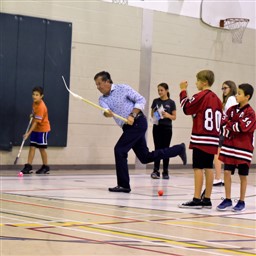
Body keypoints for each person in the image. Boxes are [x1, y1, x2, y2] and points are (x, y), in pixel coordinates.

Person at [94, 71, 187, 193]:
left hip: (138, 122)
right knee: (145, 157)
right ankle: (178, 149)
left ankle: (123, 185)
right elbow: (105, 111)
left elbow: (140, 100)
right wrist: (107, 113)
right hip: (127, 127)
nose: (98, 87)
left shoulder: (123, 88)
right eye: (96, 85)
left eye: (99, 84)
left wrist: (132, 114)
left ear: (107, 81)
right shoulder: (102, 99)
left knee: (119, 150)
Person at [178, 70, 222, 209]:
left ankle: (196, 199)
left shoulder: (201, 95)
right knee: (209, 168)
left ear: (204, 82)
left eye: (197, 81)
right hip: (213, 138)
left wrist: (183, 90)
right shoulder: (217, 99)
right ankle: (207, 199)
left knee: (198, 168)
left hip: (201, 137)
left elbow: (186, 108)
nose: (195, 83)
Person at [216, 83, 255, 212]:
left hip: (244, 148)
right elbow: (222, 124)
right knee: (226, 172)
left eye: (239, 93)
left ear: (247, 97)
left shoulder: (251, 113)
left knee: (242, 175)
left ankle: (241, 201)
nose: (236, 95)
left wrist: (230, 125)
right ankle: (227, 199)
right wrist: (231, 125)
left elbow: (242, 128)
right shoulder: (231, 109)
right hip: (229, 146)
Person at [20, 86, 51, 174]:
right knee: (32, 146)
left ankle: (45, 167)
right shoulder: (34, 103)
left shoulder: (41, 106)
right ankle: (28, 166)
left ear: (41, 96)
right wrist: (32, 115)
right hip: (36, 129)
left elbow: (36, 122)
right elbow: (35, 114)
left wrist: (27, 133)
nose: (34, 96)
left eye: (37, 95)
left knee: (41, 148)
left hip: (42, 130)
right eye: (33, 94)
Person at [213, 81, 237, 186]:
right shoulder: (227, 100)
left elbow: (232, 115)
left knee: (217, 153)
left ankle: (218, 178)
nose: (223, 90)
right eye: (222, 88)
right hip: (224, 129)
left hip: (225, 130)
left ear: (231, 88)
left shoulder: (231, 99)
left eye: (225, 88)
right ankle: (219, 177)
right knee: (219, 154)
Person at [150, 83, 176, 180]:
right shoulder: (155, 101)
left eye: (161, 90)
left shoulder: (171, 102)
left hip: (167, 129)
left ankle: (165, 171)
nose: (160, 92)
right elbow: (152, 115)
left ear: (166, 90)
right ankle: (155, 170)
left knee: (166, 149)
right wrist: (157, 114)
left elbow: (174, 117)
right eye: (158, 90)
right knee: (157, 148)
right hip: (157, 127)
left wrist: (167, 115)